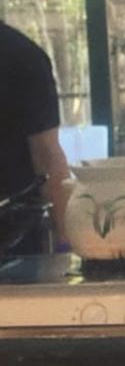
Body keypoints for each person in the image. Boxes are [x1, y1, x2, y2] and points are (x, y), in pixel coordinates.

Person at [1, 20, 71, 252]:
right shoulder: (23, 54)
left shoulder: (21, 57)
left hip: (11, 231)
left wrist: (65, 241)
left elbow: (47, 156)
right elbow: (47, 154)